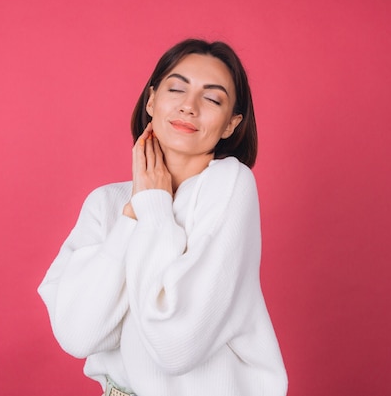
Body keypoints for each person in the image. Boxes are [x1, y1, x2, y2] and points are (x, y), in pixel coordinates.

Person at [38, 38, 287, 396]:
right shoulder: (107, 203)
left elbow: (176, 346)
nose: (189, 106)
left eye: (212, 98)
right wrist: (133, 213)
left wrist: (153, 205)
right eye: (176, 89)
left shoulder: (229, 184)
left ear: (232, 124)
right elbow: (78, 335)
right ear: (151, 100)